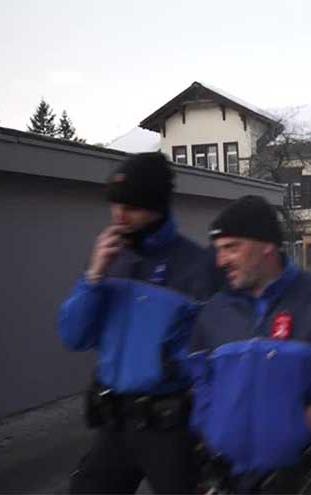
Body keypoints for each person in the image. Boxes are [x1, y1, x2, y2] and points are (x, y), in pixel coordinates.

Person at [187, 196, 311, 493]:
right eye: (219, 250)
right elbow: (200, 377)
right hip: (230, 477)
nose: (221, 260)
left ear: (266, 244)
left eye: (231, 248)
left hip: (303, 477)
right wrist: (209, 422)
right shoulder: (213, 312)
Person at [58, 152, 218, 494]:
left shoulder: (197, 266)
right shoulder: (110, 261)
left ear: (157, 206)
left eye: (131, 206)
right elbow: (73, 336)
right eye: (115, 205)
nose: (119, 215)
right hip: (114, 424)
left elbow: (214, 352)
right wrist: (94, 276)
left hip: (169, 428)